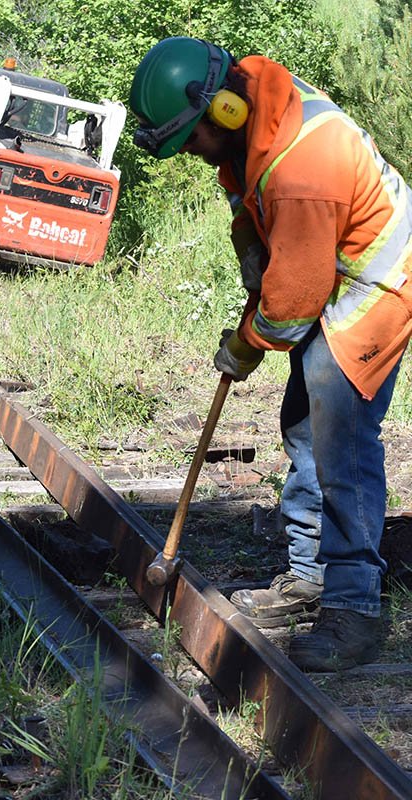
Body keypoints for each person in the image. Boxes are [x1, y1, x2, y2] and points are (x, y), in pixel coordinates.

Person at [129, 37, 412, 671]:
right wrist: (252, 263)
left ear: (222, 112)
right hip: (331, 264)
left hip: (379, 277)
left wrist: (245, 342)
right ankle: (310, 574)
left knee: (340, 436)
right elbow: (248, 205)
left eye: (194, 141)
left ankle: (357, 608)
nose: (198, 157)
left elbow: (292, 305)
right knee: (304, 422)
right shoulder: (250, 122)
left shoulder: (302, 162)